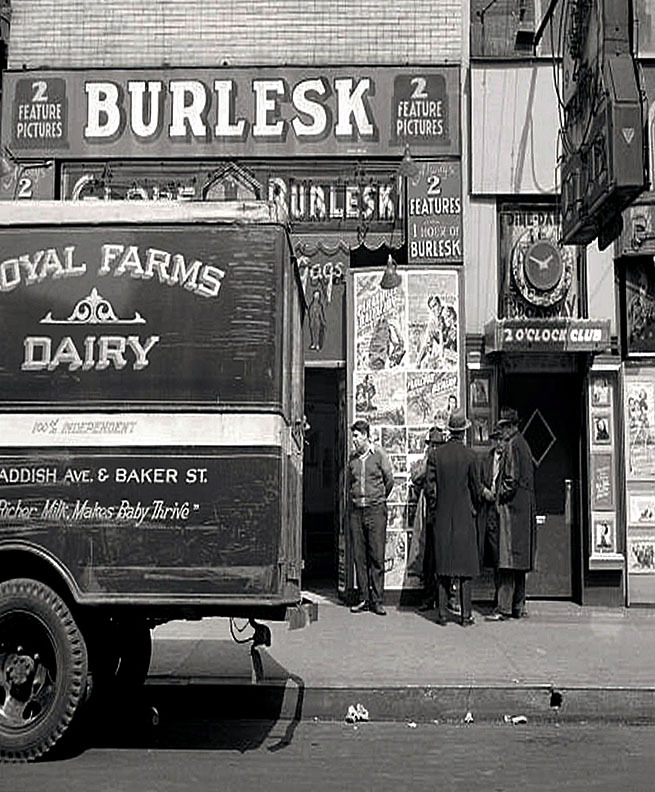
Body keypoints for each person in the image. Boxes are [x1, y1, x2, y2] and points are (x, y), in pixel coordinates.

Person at [425, 409, 481, 626]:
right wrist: (473, 509)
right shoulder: (471, 456)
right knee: (465, 569)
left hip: (442, 517)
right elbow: (476, 489)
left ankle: (442, 615)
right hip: (464, 518)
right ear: (464, 432)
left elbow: (431, 487)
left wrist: (436, 507)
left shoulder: (436, 455)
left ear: (450, 430)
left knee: (443, 567)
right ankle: (466, 616)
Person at [486, 407, 537, 621]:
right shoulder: (524, 445)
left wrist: (498, 496)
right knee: (520, 561)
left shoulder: (512, 446)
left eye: (505, 427)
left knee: (506, 561)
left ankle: (503, 608)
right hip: (524, 510)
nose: (502, 432)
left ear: (512, 426)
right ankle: (518, 606)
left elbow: (511, 480)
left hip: (511, 511)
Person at [347, 419, 394, 616]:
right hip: (357, 511)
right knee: (360, 556)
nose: (354, 440)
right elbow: (349, 483)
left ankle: (377, 600)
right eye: (353, 436)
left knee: (376, 556)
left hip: (376, 510)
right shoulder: (352, 459)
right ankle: (364, 598)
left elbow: (389, 480)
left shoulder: (379, 455)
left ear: (366, 435)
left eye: (356, 436)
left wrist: (379, 500)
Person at [476, 425, 504, 601]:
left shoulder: (510, 459)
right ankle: (495, 593)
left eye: (502, 439)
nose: (500, 443)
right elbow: (477, 482)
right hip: (488, 511)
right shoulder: (485, 459)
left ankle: (502, 597)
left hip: (503, 511)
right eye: (497, 439)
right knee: (493, 554)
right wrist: (484, 492)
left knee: (503, 556)